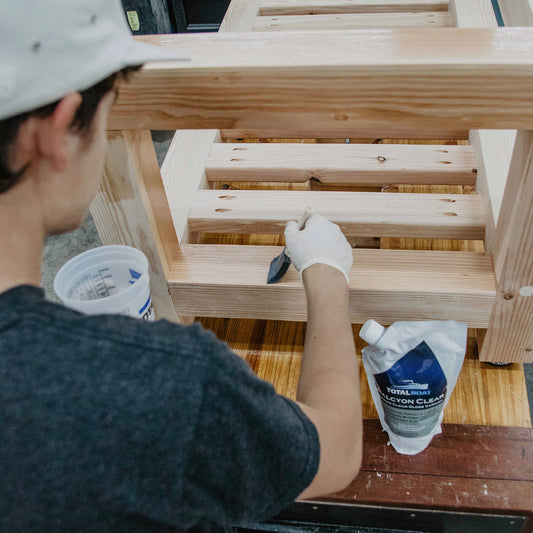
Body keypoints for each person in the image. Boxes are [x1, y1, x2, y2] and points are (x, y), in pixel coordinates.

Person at [0, 1, 363, 531]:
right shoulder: (163, 390)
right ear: (57, 132)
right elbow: (336, 450)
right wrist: (328, 274)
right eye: (107, 117)